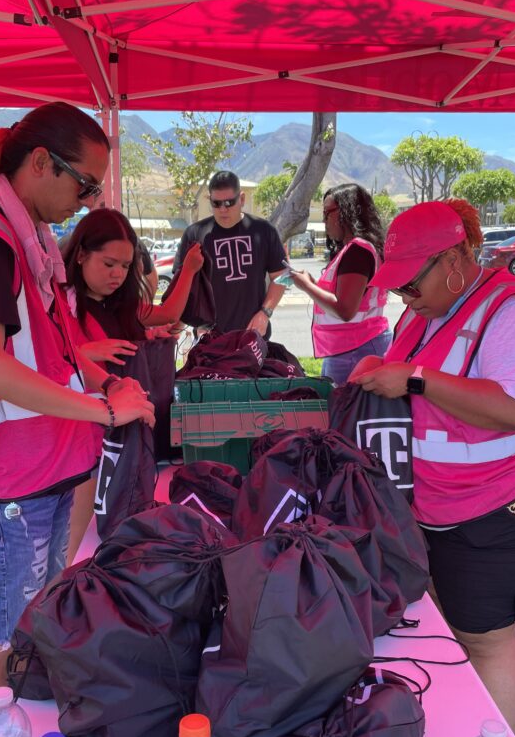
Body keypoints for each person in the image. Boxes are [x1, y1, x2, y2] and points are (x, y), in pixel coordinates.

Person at [0, 103, 155, 737]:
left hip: (42, 470)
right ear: (38, 164)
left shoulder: (27, 240)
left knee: (26, 621)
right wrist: (99, 410)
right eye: (84, 185)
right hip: (7, 480)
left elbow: (38, 352)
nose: (87, 202)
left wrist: (91, 374)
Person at [350, 199, 515, 734]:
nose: (405, 297)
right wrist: (380, 368)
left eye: (411, 284)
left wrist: (415, 380)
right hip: (443, 498)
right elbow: (411, 367)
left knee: (487, 635)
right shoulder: (427, 308)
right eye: (398, 287)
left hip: (506, 496)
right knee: (452, 615)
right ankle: (465, 723)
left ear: (453, 259)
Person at [60, 208, 204, 558]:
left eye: (125, 266)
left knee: (110, 528)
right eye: (108, 263)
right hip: (78, 437)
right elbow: (44, 357)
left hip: (121, 437)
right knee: (72, 540)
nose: (117, 274)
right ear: (81, 255)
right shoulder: (60, 303)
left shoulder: (122, 305)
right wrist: (88, 352)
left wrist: (188, 271)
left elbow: (167, 314)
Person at [288, 183, 392, 384]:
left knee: (342, 403)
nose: (324, 220)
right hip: (351, 347)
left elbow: (345, 309)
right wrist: (313, 283)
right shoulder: (355, 249)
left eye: (328, 213)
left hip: (356, 348)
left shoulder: (357, 252)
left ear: (347, 212)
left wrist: (307, 286)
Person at [173, 170, 287, 337]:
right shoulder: (194, 234)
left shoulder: (264, 231)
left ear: (242, 199)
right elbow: (181, 285)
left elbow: (283, 276)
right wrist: (195, 323)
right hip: (210, 338)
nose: (223, 209)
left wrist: (265, 313)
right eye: (216, 203)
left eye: (229, 202)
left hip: (253, 336)